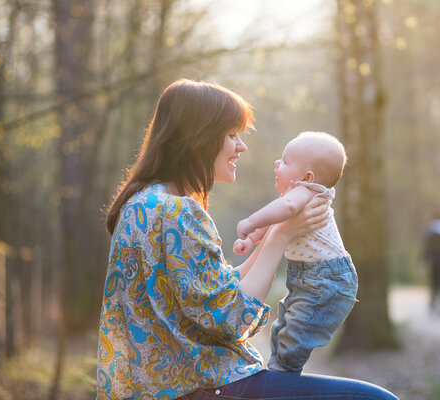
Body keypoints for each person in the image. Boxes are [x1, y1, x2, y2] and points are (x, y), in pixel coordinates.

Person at [97, 79, 398, 400]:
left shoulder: (143, 203)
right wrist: (281, 235)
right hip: (203, 387)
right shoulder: (179, 211)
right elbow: (230, 320)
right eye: (231, 135)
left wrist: (269, 237)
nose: (241, 146)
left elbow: (216, 289)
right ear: (198, 138)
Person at [233, 131, 356, 373]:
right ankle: (280, 369)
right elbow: (277, 221)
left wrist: (250, 222)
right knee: (284, 327)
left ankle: (283, 373)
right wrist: (253, 239)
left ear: (307, 177)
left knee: (296, 334)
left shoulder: (306, 191)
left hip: (325, 279)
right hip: (313, 278)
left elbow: (286, 207)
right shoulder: (296, 197)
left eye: (286, 161)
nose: (277, 164)